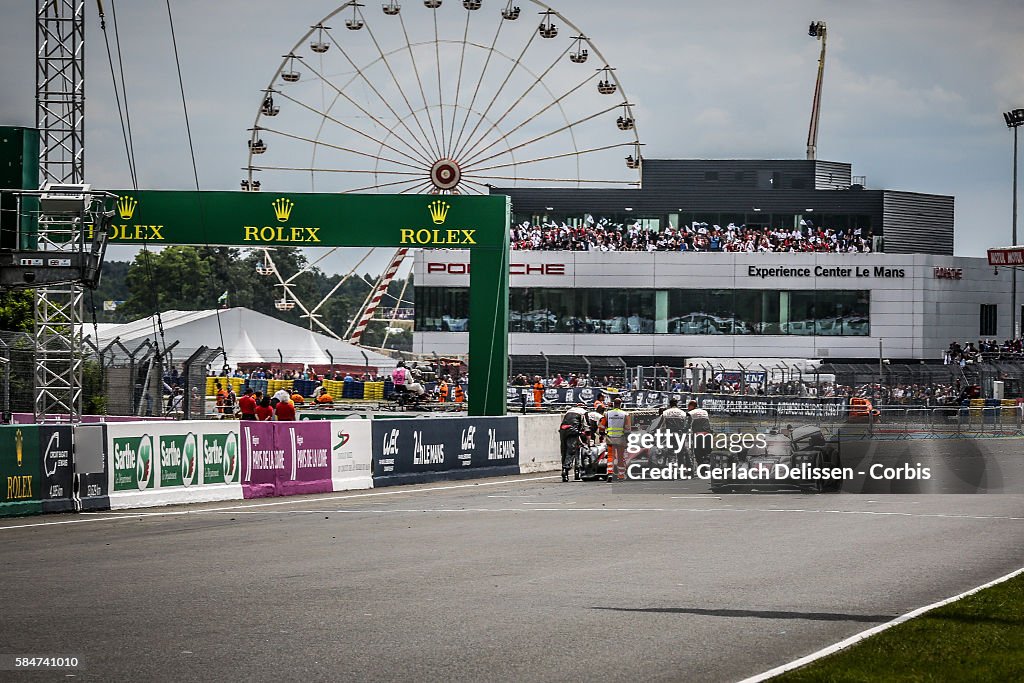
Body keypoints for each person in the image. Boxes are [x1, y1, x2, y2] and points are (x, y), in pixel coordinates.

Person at [648, 398, 690, 466]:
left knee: (671, 452)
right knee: (681, 451)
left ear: (669, 404)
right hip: (680, 434)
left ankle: (672, 466)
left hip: (669, 434)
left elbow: (659, 424)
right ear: (677, 404)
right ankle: (682, 467)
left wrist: (653, 431)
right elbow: (686, 425)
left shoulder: (666, 412)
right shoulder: (682, 413)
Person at [602, 397, 631, 481]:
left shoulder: (607, 414)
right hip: (621, 439)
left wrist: (602, 434)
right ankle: (621, 475)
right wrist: (628, 439)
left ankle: (610, 473)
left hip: (610, 438)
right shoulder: (625, 414)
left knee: (610, 456)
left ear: (613, 404)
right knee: (621, 457)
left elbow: (601, 427)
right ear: (621, 404)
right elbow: (627, 428)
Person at [559, 402, 589, 482]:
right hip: (573, 431)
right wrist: (587, 438)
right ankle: (566, 469)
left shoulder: (569, 411)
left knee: (564, 450)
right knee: (572, 451)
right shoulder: (584, 412)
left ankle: (564, 470)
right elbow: (586, 426)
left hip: (563, 430)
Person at [686, 400, 713, 465]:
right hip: (708, 434)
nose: (687, 408)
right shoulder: (704, 411)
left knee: (698, 453)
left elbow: (687, 425)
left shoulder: (691, 413)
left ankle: (701, 467)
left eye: (688, 406)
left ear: (691, 406)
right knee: (707, 454)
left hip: (698, 435)